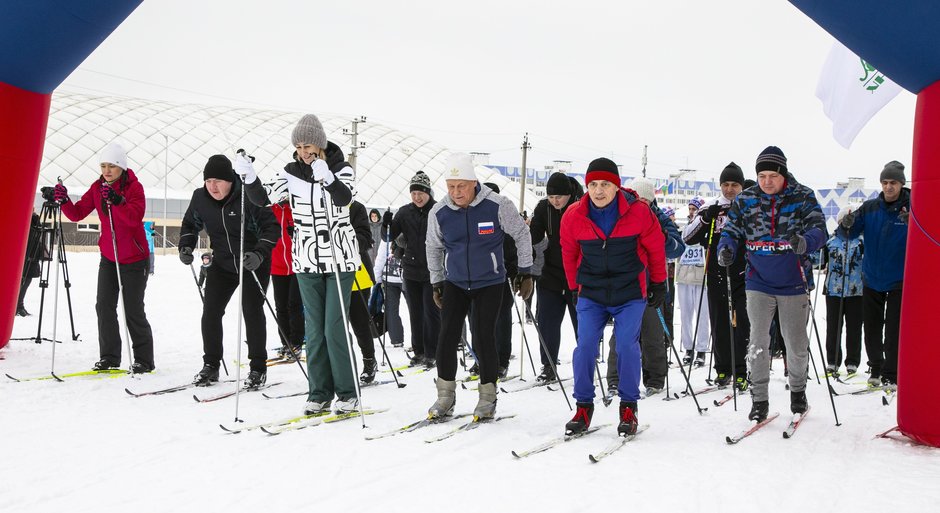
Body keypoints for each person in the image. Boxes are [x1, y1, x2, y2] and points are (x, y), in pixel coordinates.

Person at [243, 114, 362, 414]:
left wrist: (329, 178)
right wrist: (249, 178)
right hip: (307, 259)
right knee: (314, 331)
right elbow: (263, 198)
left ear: (319, 144)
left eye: (307, 145)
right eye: (298, 146)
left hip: (339, 259)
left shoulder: (341, 169)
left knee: (334, 327)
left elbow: (344, 199)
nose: (303, 151)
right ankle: (320, 391)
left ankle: (347, 392)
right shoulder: (291, 173)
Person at [718, 146, 827, 421]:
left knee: (795, 343)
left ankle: (798, 392)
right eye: (762, 175)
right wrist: (726, 248)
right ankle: (759, 399)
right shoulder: (746, 199)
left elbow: (820, 230)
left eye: (772, 176)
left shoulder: (802, 196)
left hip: (793, 281)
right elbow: (730, 230)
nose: (766, 182)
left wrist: (806, 242)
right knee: (757, 340)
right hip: (758, 280)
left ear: (783, 174)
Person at [560, 158, 666, 437]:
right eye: (593, 184)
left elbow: (656, 249)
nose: (598, 190)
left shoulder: (639, 212)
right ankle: (583, 407)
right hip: (592, 292)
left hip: (629, 290)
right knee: (584, 347)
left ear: (617, 186)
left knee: (627, 347)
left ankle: (628, 407)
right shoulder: (573, 215)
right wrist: (574, 287)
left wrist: (659, 283)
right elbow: (568, 253)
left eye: (605, 184)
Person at [426, 153, 534, 420]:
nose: (455, 192)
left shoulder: (497, 205)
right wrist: (436, 280)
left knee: (484, 336)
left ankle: (487, 397)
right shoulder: (439, 212)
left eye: (461, 186)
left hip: (490, 282)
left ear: (473, 182)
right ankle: (445, 396)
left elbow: (521, 234)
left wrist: (525, 271)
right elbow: (433, 247)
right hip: (456, 282)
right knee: (447, 336)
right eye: (451, 186)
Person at [179, 155, 279, 389]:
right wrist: (186, 244)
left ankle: (257, 368)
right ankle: (211, 364)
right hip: (223, 263)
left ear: (230, 180)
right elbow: (189, 224)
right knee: (211, 311)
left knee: (251, 309)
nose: (212, 186)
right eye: (208, 181)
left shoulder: (248, 195)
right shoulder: (200, 197)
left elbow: (271, 227)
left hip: (252, 261)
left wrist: (259, 253)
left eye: (218, 181)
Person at [53, 142, 155, 372]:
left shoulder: (134, 188)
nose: (107, 170)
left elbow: (134, 219)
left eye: (112, 166)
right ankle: (109, 356)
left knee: (133, 309)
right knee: (104, 306)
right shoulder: (97, 187)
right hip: (109, 257)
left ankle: (144, 360)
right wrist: (64, 200)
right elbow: (78, 213)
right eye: (103, 166)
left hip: (134, 258)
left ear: (122, 167)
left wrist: (118, 201)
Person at [604, 177, 684, 397]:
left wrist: (664, 237)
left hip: (652, 284)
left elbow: (678, 248)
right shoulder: (618, 214)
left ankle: (655, 379)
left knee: (653, 335)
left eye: (646, 202)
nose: (642, 206)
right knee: (621, 335)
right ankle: (615, 379)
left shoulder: (660, 218)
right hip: (625, 284)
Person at [839, 161, 910, 389]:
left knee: (893, 330)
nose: (889, 187)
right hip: (871, 278)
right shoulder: (870, 207)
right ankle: (876, 368)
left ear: (902, 183)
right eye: (885, 182)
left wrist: (914, 223)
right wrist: (846, 225)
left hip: (900, 279)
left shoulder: (911, 207)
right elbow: (848, 234)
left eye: (894, 183)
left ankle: (891, 372)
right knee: (870, 327)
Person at [683, 162, 750, 390]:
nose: (730, 189)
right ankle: (723, 370)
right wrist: (704, 218)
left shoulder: (748, 206)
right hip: (716, 274)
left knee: (741, 323)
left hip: (743, 274)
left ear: (741, 186)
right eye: (726, 184)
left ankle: (742, 370)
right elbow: (687, 237)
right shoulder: (712, 207)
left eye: (734, 185)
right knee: (720, 322)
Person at [528, 172, 580, 383]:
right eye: (551, 197)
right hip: (550, 275)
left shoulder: (580, 207)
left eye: (559, 196)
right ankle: (548, 365)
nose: (555, 201)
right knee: (547, 322)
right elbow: (534, 236)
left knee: (582, 324)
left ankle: (586, 363)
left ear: (568, 194)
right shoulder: (543, 208)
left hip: (577, 277)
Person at [386, 170, 441, 367]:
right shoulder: (404, 212)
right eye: (414, 193)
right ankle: (418, 351)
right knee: (415, 312)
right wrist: (387, 224)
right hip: (410, 269)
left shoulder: (437, 210)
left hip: (432, 271)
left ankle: (432, 351)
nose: (417, 197)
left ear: (429, 193)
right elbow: (389, 236)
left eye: (421, 193)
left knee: (431, 312)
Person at [823, 206, 864, 377]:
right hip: (834, 290)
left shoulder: (861, 242)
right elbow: (819, 260)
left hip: (856, 290)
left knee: (854, 327)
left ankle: (853, 362)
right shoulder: (831, 242)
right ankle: (833, 361)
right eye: (843, 222)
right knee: (833, 327)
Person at [676, 197, 710, 367]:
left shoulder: (703, 229)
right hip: (683, 275)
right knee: (685, 314)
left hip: (699, 275)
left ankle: (702, 349)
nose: (691, 211)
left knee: (702, 314)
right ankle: (688, 347)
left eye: (694, 209)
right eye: (689, 208)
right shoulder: (684, 228)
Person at [269, 198, 305, 359]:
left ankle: (296, 342)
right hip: (277, 266)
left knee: (294, 304)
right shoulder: (271, 210)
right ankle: (285, 342)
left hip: (296, 265)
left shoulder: (297, 208)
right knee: (280, 306)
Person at [372, 228, 405, 348]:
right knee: (415, 310)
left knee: (391, 310)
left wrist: (377, 277)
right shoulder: (410, 231)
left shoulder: (387, 235)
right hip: (407, 276)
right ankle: (419, 341)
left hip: (389, 277)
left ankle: (397, 340)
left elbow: (381, 256)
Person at [17, 210, 44, 317]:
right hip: (22, 256)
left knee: (26, 281)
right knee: (20, 282)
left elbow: (38, 231)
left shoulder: (34, 219)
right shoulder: (21, 219)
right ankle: (17, 306)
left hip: (32, 256)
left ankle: (19, 306)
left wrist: (34, 216)